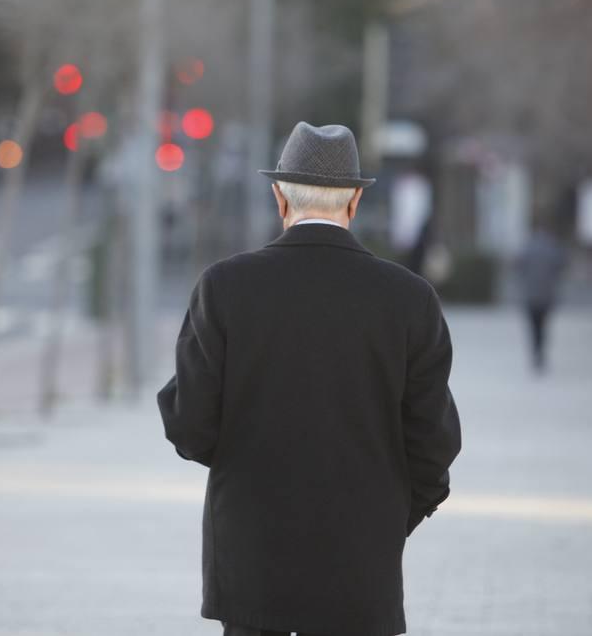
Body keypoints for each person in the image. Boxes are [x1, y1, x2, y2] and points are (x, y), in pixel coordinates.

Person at [157, 121, 462, 636]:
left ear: (280, 198)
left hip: (252, 556)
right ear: (354, 204)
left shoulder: (225, 287)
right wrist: (393, 514)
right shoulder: (409, 299)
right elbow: (433, 441)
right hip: (363, 560)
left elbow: (190, 426)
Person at [515, 227, 568, 373]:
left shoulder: (528, 248)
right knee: (543, 325)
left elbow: (518, 266)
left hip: (530, 295)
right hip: (547, 294)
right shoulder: (552, 248)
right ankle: (541, 352)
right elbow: (561, 266)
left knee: (533, 326)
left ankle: (535, 351)